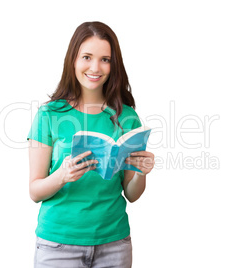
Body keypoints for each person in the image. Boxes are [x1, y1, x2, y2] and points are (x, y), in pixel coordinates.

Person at [27, 21, 155, 268]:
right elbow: (34, 191)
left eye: (105, 59)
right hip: (58, 245)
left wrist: (141, 173)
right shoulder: (49, 115)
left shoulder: (127, 117)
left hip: (114, 244)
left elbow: (132, 194)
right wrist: (62, 176)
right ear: (73, 60)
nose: (96, 67)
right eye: (87, 57)